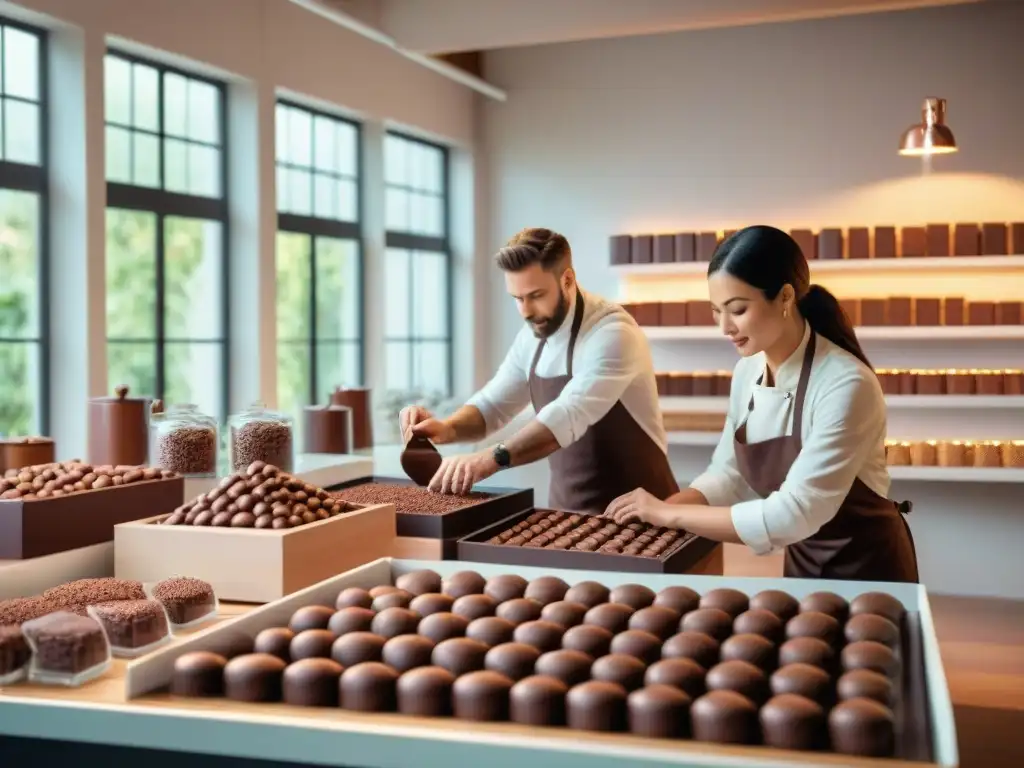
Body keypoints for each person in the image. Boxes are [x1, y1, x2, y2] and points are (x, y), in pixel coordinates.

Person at [605, 225, 919, 582]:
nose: (724, 326)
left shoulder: (846, 384)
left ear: (785, 297)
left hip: (868, 569)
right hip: (803, 564)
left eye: (737, 309)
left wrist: (668, 515)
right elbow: (729, 475)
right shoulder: (747, 371)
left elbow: (794, 513)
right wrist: (663, 508)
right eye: (715, 311)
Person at [400, 227, 678, 512]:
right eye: (517, 298)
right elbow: (492, 406)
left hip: (646, 516)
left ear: (567, 279)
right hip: (568, 514)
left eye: (536, 295)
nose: (526, 311)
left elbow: (568, 414)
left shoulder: (612, 333)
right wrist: (447, 428)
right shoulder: (532, 334)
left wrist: (489, 459)